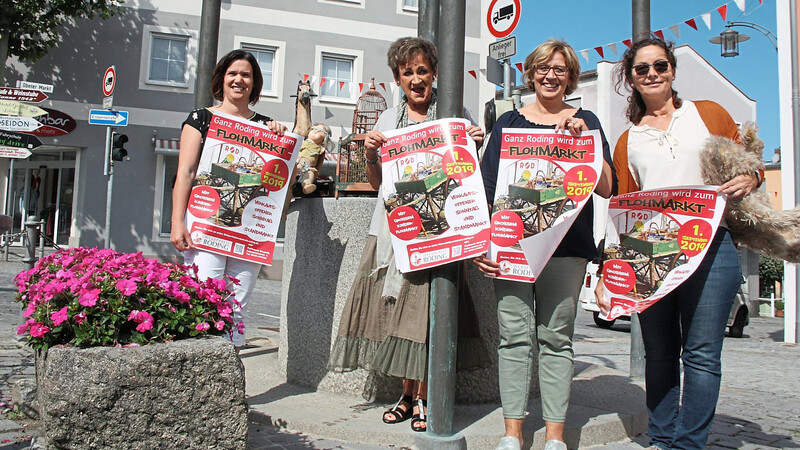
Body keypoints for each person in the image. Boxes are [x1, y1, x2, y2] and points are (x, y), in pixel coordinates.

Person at [598, 37, 761, 450]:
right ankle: (663, 436)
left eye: (660, 66)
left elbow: (750, 162)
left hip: (711, 248)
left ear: (672, 70)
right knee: (660, 353)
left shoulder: (707, 114)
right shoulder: (627, 140)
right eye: (642, 69)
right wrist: (608, 270)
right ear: (631, 79)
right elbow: (623, 211)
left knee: (702, 354)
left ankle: (688, 444)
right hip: (650, 253)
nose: (652, 74)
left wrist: (753, 177)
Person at [327, 36, 486, 433]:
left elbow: (464, 177)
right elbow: (379, 182)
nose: (416, 78)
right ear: (397, 78)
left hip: (440, 230)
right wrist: (369, 153)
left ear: (434, 74)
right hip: (395, 230)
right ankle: (407, 394)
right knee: (396, 313)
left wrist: (474, 143)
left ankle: (427, 397)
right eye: (407, 72)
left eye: (422, 70)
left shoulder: (453, 114)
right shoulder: (386, 121)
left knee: (429, 315)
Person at [473, 39, 615, 450]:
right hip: (512, 248)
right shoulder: (508, 124)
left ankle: (554, 435)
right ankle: (512, 432)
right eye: (542, 68)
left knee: (556, 339)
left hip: (567, 248)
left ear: (570, 77)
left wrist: (587, 141)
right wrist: (485, 245)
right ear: (531, 73)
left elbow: (607, 187)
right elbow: (486, 188)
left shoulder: (585, 120)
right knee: (514, 337)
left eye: (559, 69)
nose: (550, 75)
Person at [170, 49, 287, 351]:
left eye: (246, 75)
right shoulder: (201, 119)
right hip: (204, 228)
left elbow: (275, 177)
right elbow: (186, 172)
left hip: (249, 234)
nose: (239, 80)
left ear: (255, 83)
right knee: (203, 299)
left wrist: (280, 136)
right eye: (232, 73)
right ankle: (199, 372)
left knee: (237, 307)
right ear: (221, 79)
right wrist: (176, 223)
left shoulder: (266, 127)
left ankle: (231, 375)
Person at [294, 123, 331, 194]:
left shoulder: (321, 149)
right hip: (296, 165)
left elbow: (319, 164)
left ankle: (307, 186)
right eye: (314, 128)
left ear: (325, 137)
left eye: (320, 131)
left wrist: (316, 172)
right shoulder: (301, 142)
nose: (316, 131)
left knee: (310, 174)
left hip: (308, 168)